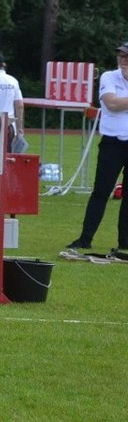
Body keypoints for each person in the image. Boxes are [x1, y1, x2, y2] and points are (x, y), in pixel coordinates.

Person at [66, 42, 128, 259]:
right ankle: (85, 238)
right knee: (101, 191)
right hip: (112, 142)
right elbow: (111, 104)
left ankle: (125, 242)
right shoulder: (109, 77)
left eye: (126, 57)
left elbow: (119, 103)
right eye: (121, 56)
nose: (123, 60)